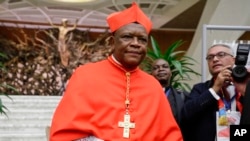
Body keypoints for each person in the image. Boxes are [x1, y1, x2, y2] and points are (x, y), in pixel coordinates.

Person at [49, 2, 183, 141]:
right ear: (113, 41)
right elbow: (63, 134)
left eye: (142, 40)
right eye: (127, 37)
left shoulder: (153, 86)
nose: (136, 43)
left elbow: (171, 137)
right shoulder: (85, 76)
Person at [181, 44, 243, 141]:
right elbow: (186, 114)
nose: (215, 59)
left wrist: (244, 91)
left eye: (221, 54)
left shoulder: (244, 88)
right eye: (210, 57)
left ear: (233, 60)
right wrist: (215, 88)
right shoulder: (200, 89)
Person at [151, 58, 187, 125]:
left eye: (165, 66)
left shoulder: (183, 96)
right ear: (151, 74)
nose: (161, 69)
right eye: (156, 68)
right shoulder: (144, 96)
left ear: (171, 73)